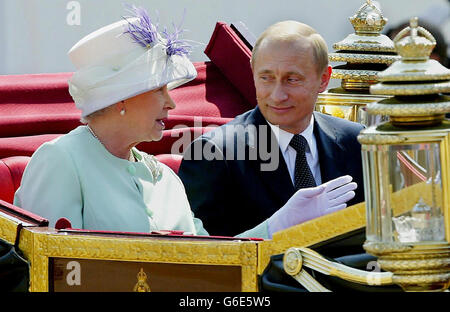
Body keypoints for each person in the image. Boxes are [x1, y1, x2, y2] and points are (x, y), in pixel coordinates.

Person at [14, 7, 355, 240]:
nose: (172, 102)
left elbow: (210, 260)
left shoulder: (163, 178)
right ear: (121, 97)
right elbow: (48, 271)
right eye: (160, 89)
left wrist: (278, 226)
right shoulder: (62, 159)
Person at [178, 20, 364, 238]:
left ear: (323, 79)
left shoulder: (355, 142)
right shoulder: (214, 153)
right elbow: (200, 258)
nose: (277, 95)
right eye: (266, 78)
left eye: (292, 80)